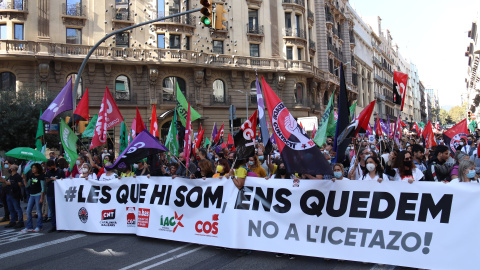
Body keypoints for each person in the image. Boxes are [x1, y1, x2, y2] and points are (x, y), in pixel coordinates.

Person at [21, 163, 45, 232]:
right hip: (31, 195)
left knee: (39, 211)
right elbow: (27, 185)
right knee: (28, 210)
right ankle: (29, 226)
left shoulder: (41, 176)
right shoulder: (31, 175)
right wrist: (24, 179)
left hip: (38, 194)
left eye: (34, 168)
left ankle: (39, 226)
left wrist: (41, 197)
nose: (33, 169)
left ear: (38, 169)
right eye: (32, 168)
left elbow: (43, 188)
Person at [45, 160, 65, 232]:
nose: (50, 168)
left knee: (59, 210)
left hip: (58, 194)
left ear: (54, 165)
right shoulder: (48, 172)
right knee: (52, 210)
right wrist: (50, 179)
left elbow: (64, 181)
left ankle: (61, 225)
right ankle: (54, 225)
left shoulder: (60, 172)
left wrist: (58, 179)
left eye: (50, 167)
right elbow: (46, 180)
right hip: (50, 193)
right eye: (48, 167)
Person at [0, 164, 24, 228]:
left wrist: (11, 183)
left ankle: (21, 221)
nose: (10, 168)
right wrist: (3, 180)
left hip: (15, 194)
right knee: (11, 208)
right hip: (9, 194)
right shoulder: (11, 176)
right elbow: (5, 182)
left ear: (13, 169)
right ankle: (12, 221)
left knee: (17, 208)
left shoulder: (17, 176)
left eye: (11, 167)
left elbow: (19, 185)